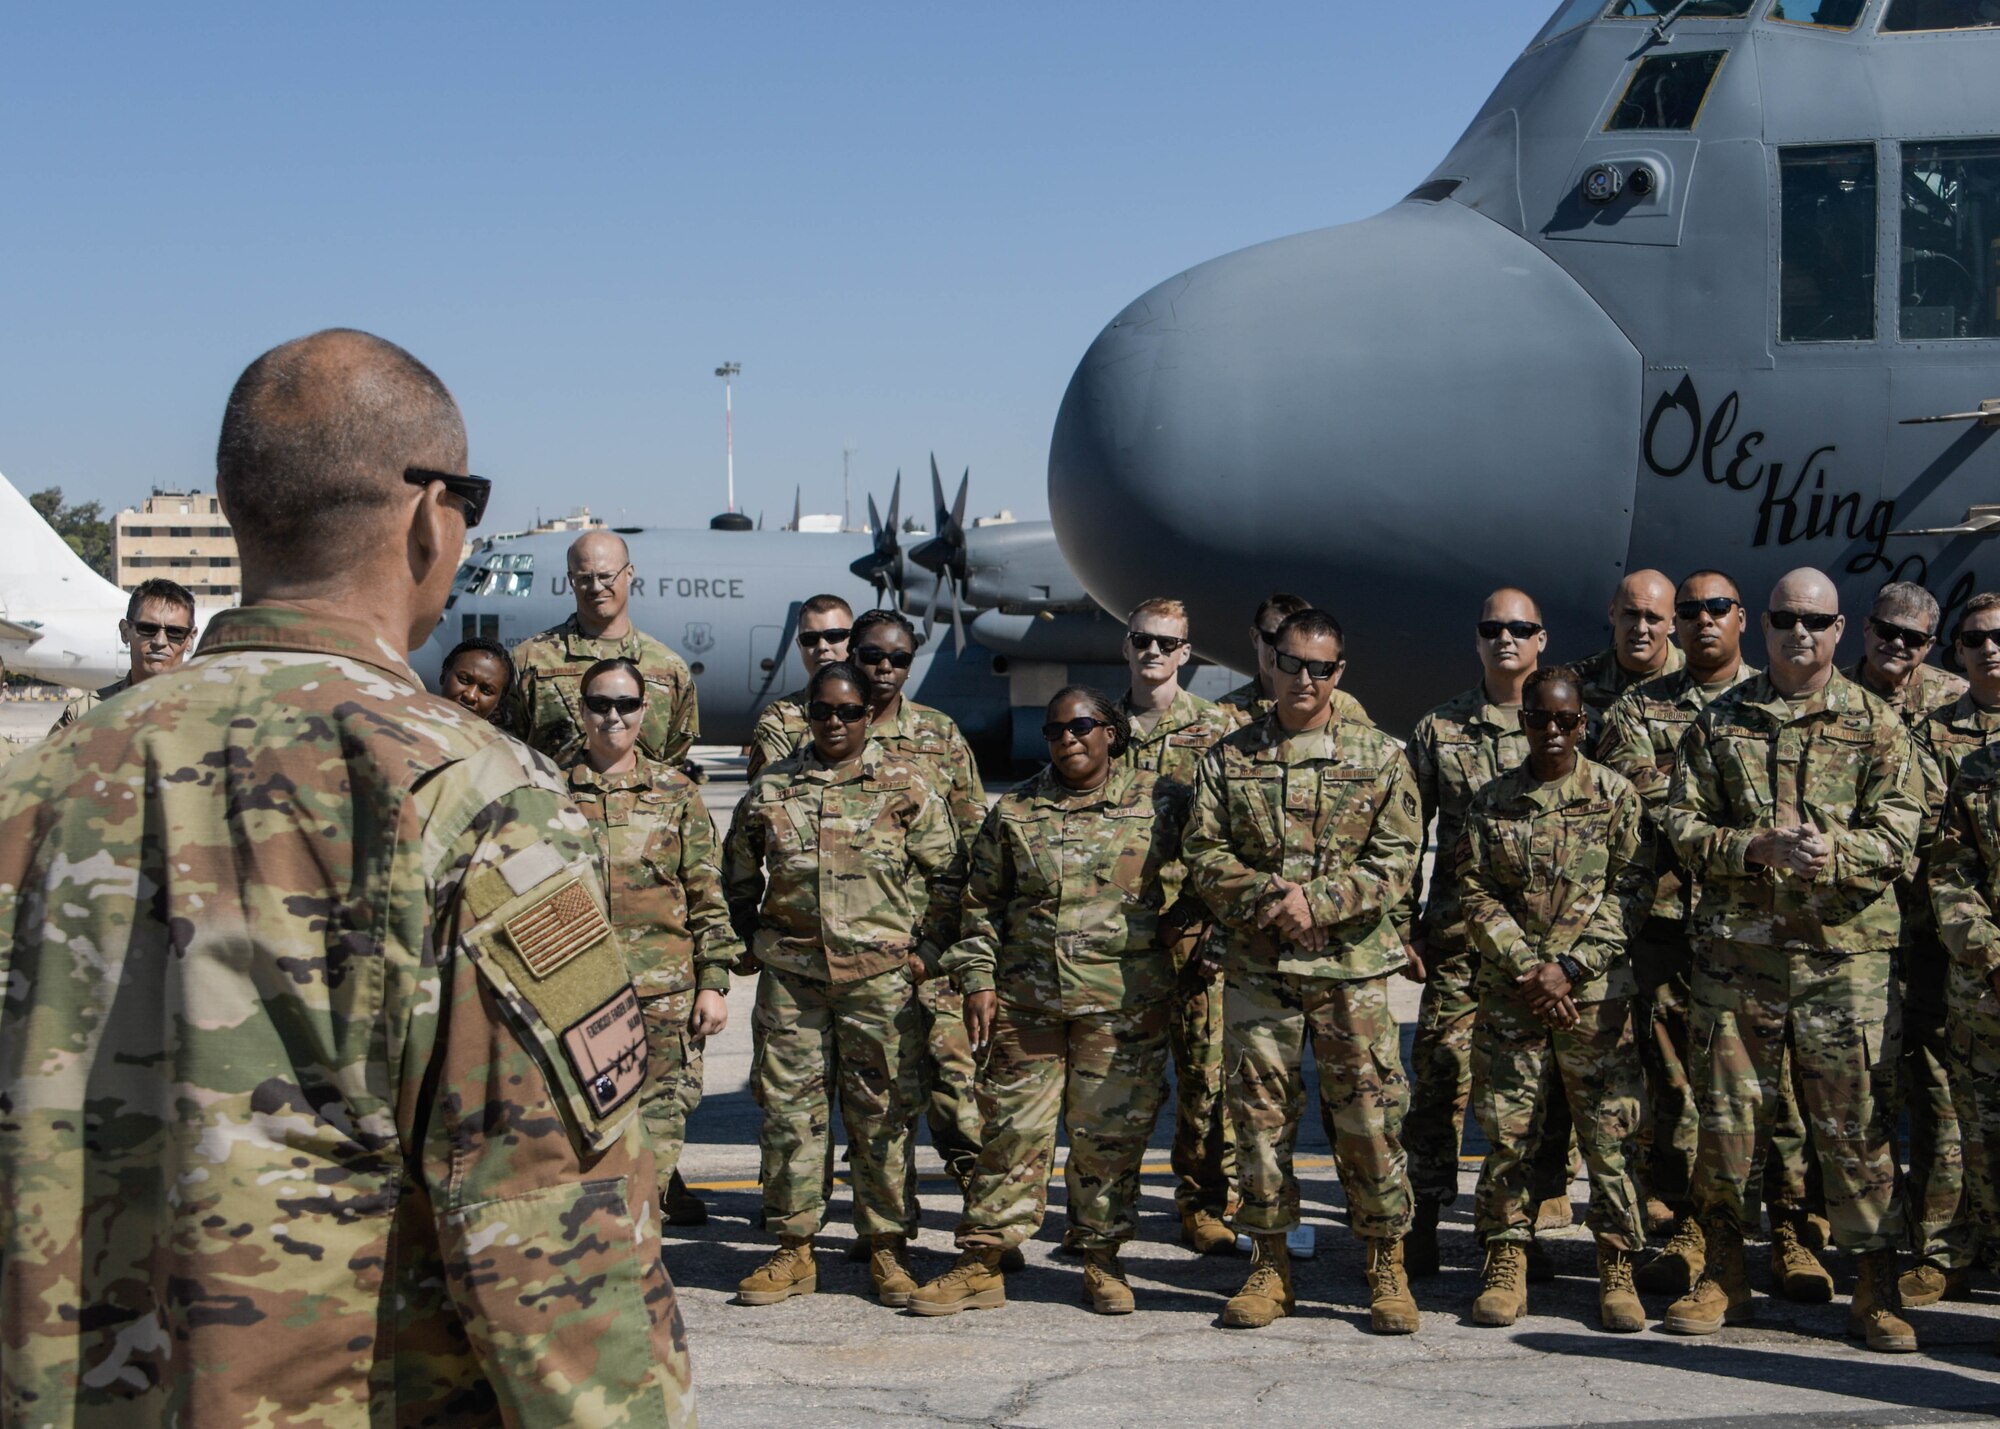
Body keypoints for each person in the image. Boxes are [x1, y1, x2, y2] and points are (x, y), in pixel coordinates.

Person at [0, 329, 695, 1424]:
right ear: (432, 516)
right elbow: (555, 1257)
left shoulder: (35, 791)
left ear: (236, 511)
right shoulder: (471, 801)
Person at [1660, 568, 1922, 1353]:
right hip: (1739, 964)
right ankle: (1725, 1273)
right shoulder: (1719, 721)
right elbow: (1676, 819)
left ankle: (1873, 1285)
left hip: (1845, 966)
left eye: (1815, 619)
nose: (1798, 632)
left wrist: (1834, 852)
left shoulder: (1877, 725)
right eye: (1783, 618)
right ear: (1762, 626)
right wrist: (1750, 846)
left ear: (1841, 630)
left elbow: (1904, 831)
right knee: (1729, 1123)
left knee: (1857, 1130)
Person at [1184, 608, 1425, 1334]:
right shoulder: (1228, 759)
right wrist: (1265, 898)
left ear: (1339, 672)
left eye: (1321, 667)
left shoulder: (1380, 756)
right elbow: (1202, 852)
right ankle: (1269, 1262)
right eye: (1291, 662)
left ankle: (1386, 1260)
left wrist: (1315, 902)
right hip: (1260, 971)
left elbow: (1396, 859)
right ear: (1270, 662)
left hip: (1350, 971)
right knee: (1257, 1123)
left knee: (1370, 1119)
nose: (1305, 679)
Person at [1597, 571, 1834, 1301]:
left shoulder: (1771, 702)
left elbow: (1801, 806)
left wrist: (1718, 809)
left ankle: (1793, 1225)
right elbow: (1649, 799)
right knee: (1685, 1090)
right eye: (1691, 610)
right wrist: (1740, 818)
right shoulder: (1640, 706)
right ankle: (1690, 1226)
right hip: (1674, 927)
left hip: (1768, 933)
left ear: (1744, 621)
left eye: (1717, 608)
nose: (1703, 620)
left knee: (1783, 1089)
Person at [910, 688, 1180, 1317]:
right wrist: (977, 980)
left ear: (1110, 732)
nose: (1068, 740)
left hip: (1123, 1007)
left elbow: (1206, 874)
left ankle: (1102, 1261)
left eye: (1082, 726)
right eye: (1055, 731)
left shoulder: (1162, 802)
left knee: (1108, 1139)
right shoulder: (1018, 810)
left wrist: (1186, 931)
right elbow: (980, 905)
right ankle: (982, 1260)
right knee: (1012, 1131)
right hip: (1029, 1005)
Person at [723, 660, 964, 1310]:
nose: (834, 721)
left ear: (867, 715)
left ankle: (886, 1245)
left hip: (880, 982)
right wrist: (749, 943)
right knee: (790, 1115)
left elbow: (951, 875)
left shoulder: (906, 784)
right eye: (823, 710)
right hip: (794, 983)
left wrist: (929, 951)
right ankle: (794, 1247)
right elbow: (737, 878)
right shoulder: (772, 790)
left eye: (848, 711)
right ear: (807, 711)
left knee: (882, 1115)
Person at [1461, 667, 1651, 1332]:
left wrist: (1570, 966)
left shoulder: (1615, 796)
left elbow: (1633, 891)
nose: (1552, 731)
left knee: (1609, 1136)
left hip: (1594, 998)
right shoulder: (1493, 802)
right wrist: (1530, 968)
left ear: (1584, 723)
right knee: (1509, 1134)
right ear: (1523, 720)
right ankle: (1507, 1256)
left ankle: (1617, 1263)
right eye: (1540, 718)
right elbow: (1476, 893)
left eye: (1566, 721)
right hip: (1517, 998)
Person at [1401, 588, 1570, 1276]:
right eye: (1492, 628)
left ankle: (1514, 1232)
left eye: (1519, 627)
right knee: (1440, 1078)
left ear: (1541, 639)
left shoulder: (1560, 721)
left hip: (1538, 947)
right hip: (1460, 944)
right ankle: (1422, 1222)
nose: (1506, 638)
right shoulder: (1440, 729)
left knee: (1528, 1097)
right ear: (1477, 640)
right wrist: (1400, 923)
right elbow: (1405, 833)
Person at [566, 657, 739, 1215]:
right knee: (584, 1135)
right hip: (579, 997)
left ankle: (638, 1247)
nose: (612, 717)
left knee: (659, 1137)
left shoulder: (676, 794)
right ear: (581, 709)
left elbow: (706, 896)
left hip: (665, 999)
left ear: (645, 711)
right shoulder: (548, 790)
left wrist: (713, 983)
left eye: (625, 704)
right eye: (599, 704)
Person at [848, 608, 989, 1196]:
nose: (885, 668)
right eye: (873, 656)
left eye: (899, 658)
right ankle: (881, 1220)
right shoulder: (827, 727)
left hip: (934, 943)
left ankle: (982, 1222)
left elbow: (974, 840)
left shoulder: (939, 735)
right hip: (858, 946)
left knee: (955, 1083)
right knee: (873, 1094)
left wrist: (960, 944)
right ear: (849, 655)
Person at [1112, 597, 1238, 1255]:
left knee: (1205, 1080)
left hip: (1191, 938)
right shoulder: (1098, 727)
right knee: (1117, 1082)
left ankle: (1203, 1204)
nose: (1154, 653)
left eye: (1168, 643)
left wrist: (1211, 926)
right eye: (1144, 641)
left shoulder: (1219, 731)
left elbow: (1240, 838)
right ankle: (1107, 1210)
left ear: (1187, 652)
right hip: (1114, 942)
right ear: (1126, 647)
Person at [1905, 591, 2000, 1305]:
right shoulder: (1947, 741)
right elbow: (1944, 858)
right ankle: (1951, 1246)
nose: (1990, 648)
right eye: (1976, 639)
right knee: (1963, 1112)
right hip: (1967, 961)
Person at [504, 529, 700, 767]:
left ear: (629, 574)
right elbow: (507, 752)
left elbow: (672, 762)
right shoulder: (531, 660)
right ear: (570, 580)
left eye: (607, 576)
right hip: (556, 803)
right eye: (585, 578)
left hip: (640, 804)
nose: (596, 587)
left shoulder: (669, 670)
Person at [50, 577, 198, 734]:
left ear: (190, 639)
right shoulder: (84, 714)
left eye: (175, 632)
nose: (160, 641)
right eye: (147, 629)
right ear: (125, 631)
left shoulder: (215, 712)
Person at [1217, 591, 1372, 730]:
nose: (1281, 649)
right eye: (1274, 638)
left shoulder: (1344, 706)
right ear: (1256, 637)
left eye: (1298, 641)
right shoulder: (1221, 714)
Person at [746, 593, 855, 780]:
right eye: (810, 639)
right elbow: (767, 793)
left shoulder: (878, 712)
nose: (822, 646)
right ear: (799, 646)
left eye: (834, 636)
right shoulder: (779, 719)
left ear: (853, 642)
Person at [1573, 569, 1684, 748]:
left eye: (1652, 618)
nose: (1640, 628)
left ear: (1673, 623)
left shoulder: (1697, 681)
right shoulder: (1574, 684)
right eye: (1631, 614)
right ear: (1612, 613)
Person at [436, 634, 515, 721]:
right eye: (464, 680)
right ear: (444, 674)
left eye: (487, 691)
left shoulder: (496, 735)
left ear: (499, 700)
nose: (471, 696)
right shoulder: (418, 725)